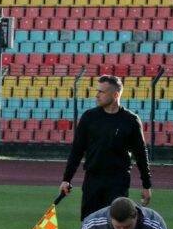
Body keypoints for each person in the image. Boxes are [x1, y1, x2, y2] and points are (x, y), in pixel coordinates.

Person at [59, 74, 153, 220]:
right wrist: (67, 179)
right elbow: (77, 150)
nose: (96, 95)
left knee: (115, 223)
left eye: (101, 92)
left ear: (115, 95)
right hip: (92, 179)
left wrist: (146, 185)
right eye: (97, 91)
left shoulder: (131, 120)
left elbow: (140, 154)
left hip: (118, 181)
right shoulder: (89, 118)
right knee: (90, 224)